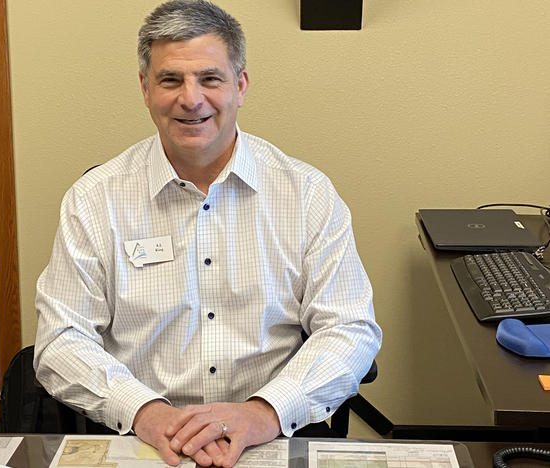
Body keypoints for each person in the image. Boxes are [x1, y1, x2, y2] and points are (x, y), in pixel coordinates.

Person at [33, 1, 382, 467]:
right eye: (170, 79)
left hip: (270, 439)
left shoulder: (307, 194)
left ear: (240, 85)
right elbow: (60, 339)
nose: (191, 98)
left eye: (210, 79)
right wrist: (146, 411)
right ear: (145, 88)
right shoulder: (95, 199)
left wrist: (264, 412)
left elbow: (350, 329)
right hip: (144, 440)